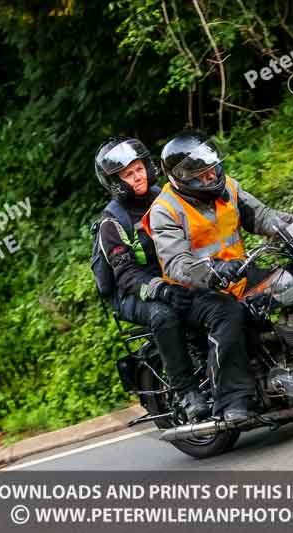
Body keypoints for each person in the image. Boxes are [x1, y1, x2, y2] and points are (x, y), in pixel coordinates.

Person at [142, 131, 293, 423]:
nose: (211, 176)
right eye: (202, 174)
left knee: (290, 284)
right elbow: (176, 262)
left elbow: (262, 217)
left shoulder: (229, 190)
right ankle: (232, 401)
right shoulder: (165, 209)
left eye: (212, 168)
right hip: (193, 292)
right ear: (181, 178)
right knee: (228, 314)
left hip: (237, 275)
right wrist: (210, 271)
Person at [93, 137, 208, 421]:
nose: (138, 176)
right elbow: (128, 275)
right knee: (164, 315)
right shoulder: (113, 222)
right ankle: (186, 392)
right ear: (115, 181)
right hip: (132, 293)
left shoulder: (166, 196)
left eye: (139, 168)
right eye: (128, 174)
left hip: (172, 276)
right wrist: (162, 290)